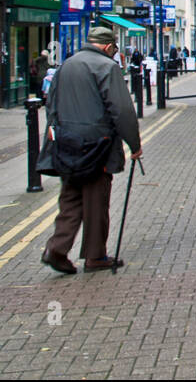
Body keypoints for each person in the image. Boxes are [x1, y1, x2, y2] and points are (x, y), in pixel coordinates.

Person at [41, 26, 142, 275]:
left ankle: (57, 248)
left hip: (67, 144)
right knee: (96, 201)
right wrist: (135, 145)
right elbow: (122, 110)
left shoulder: (66, 65)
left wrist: (55, 136)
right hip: (98, 145)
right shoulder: (107, 67)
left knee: (71, 199)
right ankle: (95, 256)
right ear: (108, 46)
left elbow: (51, 104)